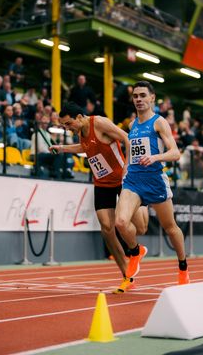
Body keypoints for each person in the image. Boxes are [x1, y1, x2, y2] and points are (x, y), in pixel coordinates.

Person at [52, 102, 149, 293]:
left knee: (141, 227)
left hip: (124, 179)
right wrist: (62, 148)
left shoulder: (100, 123)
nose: (67, 128)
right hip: (102, 183)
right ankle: (127, 276)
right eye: (64, 126)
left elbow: (127, 139)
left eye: (69, 124)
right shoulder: (81, 130)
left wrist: (129, 167)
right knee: (106, 228)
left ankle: (137, 246)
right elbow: (86, 147)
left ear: (79, 117)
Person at [114, 81, 190, 285]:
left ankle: (183, 266)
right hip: (133, 181)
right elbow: (130, 153)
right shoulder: (131, 125)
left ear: (152, 98)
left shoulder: (159, 122)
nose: (138, 99)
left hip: (155, 180)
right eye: (135, 96)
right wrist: (124, 173)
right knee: (120, 222)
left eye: (142, 95)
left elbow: (175, 153)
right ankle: (135, 251)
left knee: (170, 227)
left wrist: (155, 158)